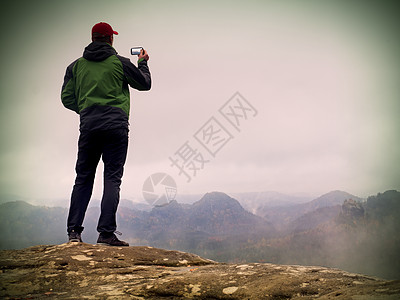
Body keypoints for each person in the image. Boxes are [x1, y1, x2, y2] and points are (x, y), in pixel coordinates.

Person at [61, 22, 151, 246]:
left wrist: (86, 110)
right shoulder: (121, 63)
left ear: (93, 38)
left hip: (89, 127)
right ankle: (106, 233)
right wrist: (143, 62)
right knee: (112, 178)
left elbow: (66, 98)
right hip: (115, 128)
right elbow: (145, 84)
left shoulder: (75, 67)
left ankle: (74, 232)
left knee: (83, 178)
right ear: (111, 39)